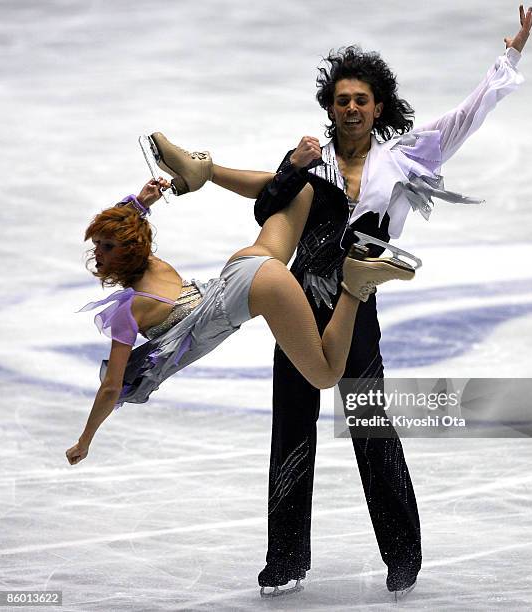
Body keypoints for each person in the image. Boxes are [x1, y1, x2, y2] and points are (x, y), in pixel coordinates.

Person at [210, 4, 532, 599]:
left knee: (368, 423)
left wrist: (507, 57)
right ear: (330, 108)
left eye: (361, 99)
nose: (352, 108)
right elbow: (267, 208)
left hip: (357, 303)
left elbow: (465, 119)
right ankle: (284, 560)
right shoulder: (312, 161)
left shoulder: (402, 159)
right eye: (342, 100)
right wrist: (288, 167)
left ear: (377, 106)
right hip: (299, 300)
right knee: (292, 426)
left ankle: (402, 556)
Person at [65, 134, 415, 468]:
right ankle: (207, 171)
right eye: (97, 246)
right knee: (301, 190)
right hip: (244, 265)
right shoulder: (150, 264)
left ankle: (355, 282)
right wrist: (140, 204)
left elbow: (111, 387)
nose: (97, 255)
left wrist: (86, 439)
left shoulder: (128, 311)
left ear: (128, 248)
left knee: (325, 375)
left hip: (258, 286)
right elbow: (125, 227)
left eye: (106, 247)